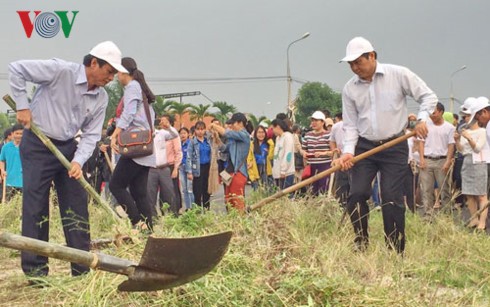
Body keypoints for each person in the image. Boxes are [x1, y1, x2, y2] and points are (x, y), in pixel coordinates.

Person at [8, 41, 126, 280]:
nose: (111, 78)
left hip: (68, 148)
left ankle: (81, 267)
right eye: (109, 71)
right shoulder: (60, 71)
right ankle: (36, 272)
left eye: (114, 73)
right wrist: (22, 106)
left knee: (76, 206)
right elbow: (16, 68)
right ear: (94, 63)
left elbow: (92, 133)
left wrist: (78, 161)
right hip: (38, 144)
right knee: (36, 207)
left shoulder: (101, 97)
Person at [334, 37, 438, 253]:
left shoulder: (398, 74)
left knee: (391, 198)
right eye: (350, 64)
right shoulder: (349, 89)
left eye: (358, 62)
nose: (354, 68)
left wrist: (421, 120)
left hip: (394, 145)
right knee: (357, 194)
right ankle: (361, 242)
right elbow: (351, 125)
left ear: (372, 56)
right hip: (365, 147)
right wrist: (347, 153)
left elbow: (428, 96)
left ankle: (394, 249)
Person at [109, 57, 156, 231]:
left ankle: (137, 221)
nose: (116, 76)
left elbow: (128, 114)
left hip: (135, 148)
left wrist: (115, 134)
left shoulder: (132, 87)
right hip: (145, 148)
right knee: (139, 191)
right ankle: (148, 230)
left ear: (124, 73)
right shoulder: (141, 89)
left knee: (116, 185)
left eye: (117, 73)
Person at [418, 103, 455, 217]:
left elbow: (451, 145)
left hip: (442, 160)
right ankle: (427, 215)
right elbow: (421, 142)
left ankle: (446, 215)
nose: (431, 116)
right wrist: (421, 159)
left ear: (441, 112)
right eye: (430, 114)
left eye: (434, 113)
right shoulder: (425, 125)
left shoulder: (449, 127)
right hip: (427, 160)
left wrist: (448, 161)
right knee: (426, 189)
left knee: (444, 189)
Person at [454, 106, 488, 231]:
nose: (465, 118)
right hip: (467, 161)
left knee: (481, 194)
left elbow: (478, 148)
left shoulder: (482, 131)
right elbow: (461, 150)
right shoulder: (464, 131)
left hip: (479, 161)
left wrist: (469, 137)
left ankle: (482, 222)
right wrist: (457, 140)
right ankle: (474, 219)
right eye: (464, 117)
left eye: (467, 116)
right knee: (469, 193)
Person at [210, 113, 250, 212]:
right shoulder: (234, 138)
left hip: (238, 173)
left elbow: (226, 133)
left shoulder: (244, 135)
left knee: (237, 201)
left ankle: (240, 223)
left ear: (240, 123)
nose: (231, 126)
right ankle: (233, 223)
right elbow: (225, 149)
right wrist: (218, 140)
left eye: (233, 123)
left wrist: (214, 126)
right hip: (230, 172)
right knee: (229, 200)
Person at [147, 115, 180, 218]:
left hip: (164, 168)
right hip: (150, 169)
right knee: (150, 196)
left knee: (169, 194)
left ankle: (173, 217)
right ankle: (153, 218)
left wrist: (168, 126)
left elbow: (175, 135)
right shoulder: (144, 134)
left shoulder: (161, 133)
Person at [302, 111, 333, 196]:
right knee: (312, 190)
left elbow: (333, 151)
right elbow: (303, 149)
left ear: (322, 122)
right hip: (312, 166)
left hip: (325, 165)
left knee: (323, 189)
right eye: (312, 120)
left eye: (316, 120)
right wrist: (304, 154)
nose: (313, 123)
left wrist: (322, 153)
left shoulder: (328, 135)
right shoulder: (308, 135)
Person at [187, 121, 212, 210]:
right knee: (197, 192)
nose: (200, 131)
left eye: (202, 129)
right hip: (197, 169)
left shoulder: (208, 142)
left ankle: (206, 212)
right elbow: (189, 157)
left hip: (207, 168)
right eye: (198, 129)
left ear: (205, 130)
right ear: (195, 130)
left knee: (207, 192)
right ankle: (197, 213)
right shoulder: (192, 142)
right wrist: (189, 172)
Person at [0, 124, 24, 201]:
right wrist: (2, 170)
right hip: (9, 181)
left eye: (21, 134)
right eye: (17, 133)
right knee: (9, 204)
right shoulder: (6, 147)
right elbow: (2, 160)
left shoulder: (27, 147)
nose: (19, 136)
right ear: (12, 134)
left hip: (24, 182)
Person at [330, 113, 349, 206]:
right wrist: (334, 149)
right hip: (340, 160)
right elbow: (332, 140)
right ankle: (341, 206)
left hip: (355, 160)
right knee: (341, 186)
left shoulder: (359, 125)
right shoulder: (336, 127)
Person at [271, 119, 295, 191]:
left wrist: (283, 170)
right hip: (278, 172)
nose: (272, 131)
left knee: (287, 195)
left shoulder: (288, 136)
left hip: (286, 173)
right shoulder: (278, 138)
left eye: (273, 128)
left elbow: (288, 154)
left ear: (278, 127)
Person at [250, 125, 274, 190]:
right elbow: (249, 160)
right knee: (257, 193)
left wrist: (271, 146)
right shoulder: (252, 145)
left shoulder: (268, 144)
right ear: (255, 134)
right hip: (256, 172)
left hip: (266, 172)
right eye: (259, 132)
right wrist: (252, 177)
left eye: (262, 132)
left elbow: (271, 157)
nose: (261, 134)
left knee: (268, 192)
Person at [179, 127, 195, 210]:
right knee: (184, 189)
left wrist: (190, 170)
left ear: (188, 134)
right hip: (181, 167)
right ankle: (188, 207)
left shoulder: (191, 143)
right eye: (181, 133)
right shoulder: (179, 144)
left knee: (190, 188)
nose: (182, 135)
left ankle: (193, 207)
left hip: (189, 168)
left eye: (184, 133)